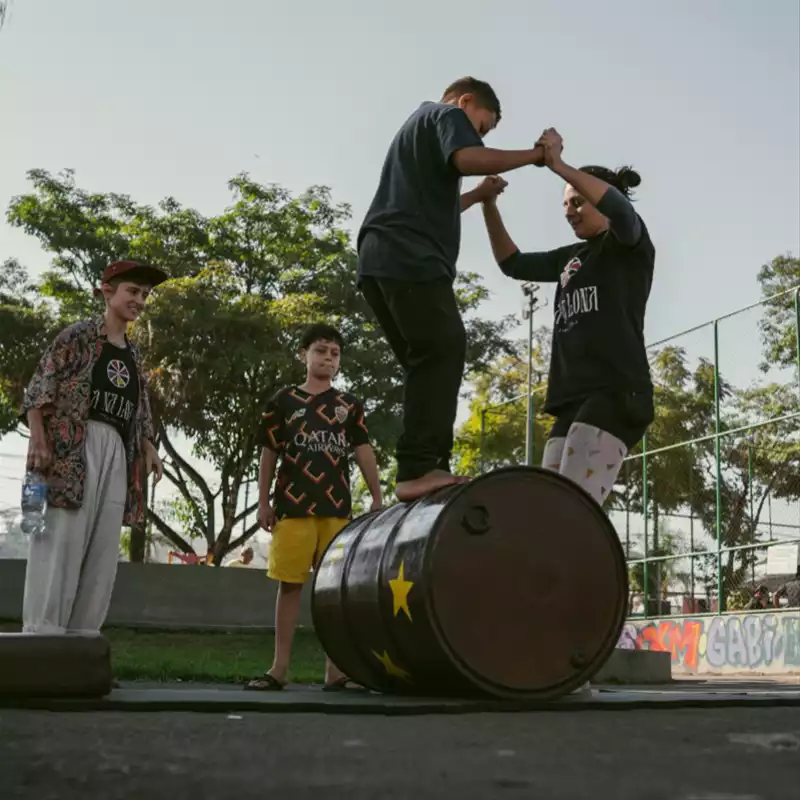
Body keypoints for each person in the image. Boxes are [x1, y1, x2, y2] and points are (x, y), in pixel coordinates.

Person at [357, 76, 549, 503]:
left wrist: (480, 195)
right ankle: (419, 467)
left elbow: (437, 202)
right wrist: (537, 156)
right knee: (444, 347)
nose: (478, 137)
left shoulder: (417, 128)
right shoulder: (445, 114)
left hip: (379, 258)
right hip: (409, 255)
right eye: (481, 126)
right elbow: (468, 158)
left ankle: (422, 465)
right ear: (465, 102)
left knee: (426, 360)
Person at [480, 128, 656, 506]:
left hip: (616, 390)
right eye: (565, 205)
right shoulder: (570, 258)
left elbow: (622, 211)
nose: (569, 211)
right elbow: (512, 263)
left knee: (571, 506)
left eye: (578, 202)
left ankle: (589, 564)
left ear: (600, 200)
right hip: (572, 396)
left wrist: (558, 165)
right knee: (547, 503)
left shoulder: (627, 244)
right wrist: (487, 205)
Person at [20, 259, 165, 634]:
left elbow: (139, 407)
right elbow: (39, 388)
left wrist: (147, 446)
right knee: (60, 543)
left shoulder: (132, 354)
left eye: (145, 295)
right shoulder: (77, 336)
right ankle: (43, 638)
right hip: (72, 450)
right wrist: (38, 440)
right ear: (107, 291)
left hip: (117, 451)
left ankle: (83, 643)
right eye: (133, 291)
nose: (140, 301)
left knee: (102, 552)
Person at [247, 323, 383, 691]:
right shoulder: (283, 401)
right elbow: (268, 452)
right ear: (304, 354)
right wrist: (263, 502)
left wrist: (377, 494)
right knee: (290, 586)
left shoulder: (348, 405)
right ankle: (278, 669)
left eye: (335, 353)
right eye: (321, 350)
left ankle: (336, 670)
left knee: (333, 592)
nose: (328, 358)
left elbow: (363, 449)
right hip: (293, 508)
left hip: (337, 508)